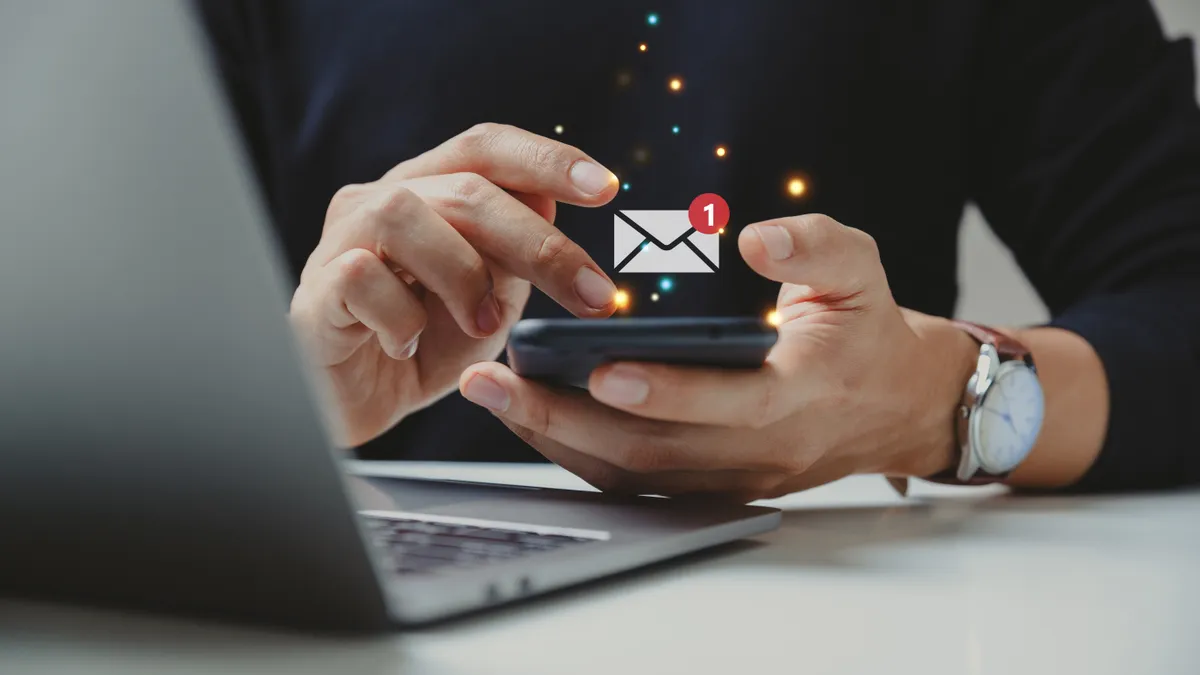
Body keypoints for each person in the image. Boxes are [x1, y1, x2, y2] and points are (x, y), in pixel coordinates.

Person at [197, 0, 1200, 499]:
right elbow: (101, 351)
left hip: (853, 612)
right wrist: (279, 407)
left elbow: (1179, 294)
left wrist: (947, 407)